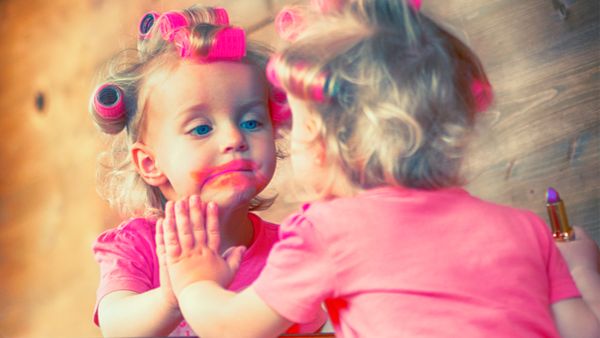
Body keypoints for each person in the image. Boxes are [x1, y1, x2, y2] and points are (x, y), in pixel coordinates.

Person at [157, 0, 600, 337]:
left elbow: (231, 327)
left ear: (322, 143)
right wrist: (582, 272)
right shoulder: (528, 229)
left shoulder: (326, 231)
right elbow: (584, 329)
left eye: (297, 124)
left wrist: (195, 281)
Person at [88, 5, 326, 337]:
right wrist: (172, 299)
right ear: (150, 163)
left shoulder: (288, 248)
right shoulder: (136, 246)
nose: (234, 138)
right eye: (201, 129)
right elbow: (117, 328)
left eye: (251, 121)